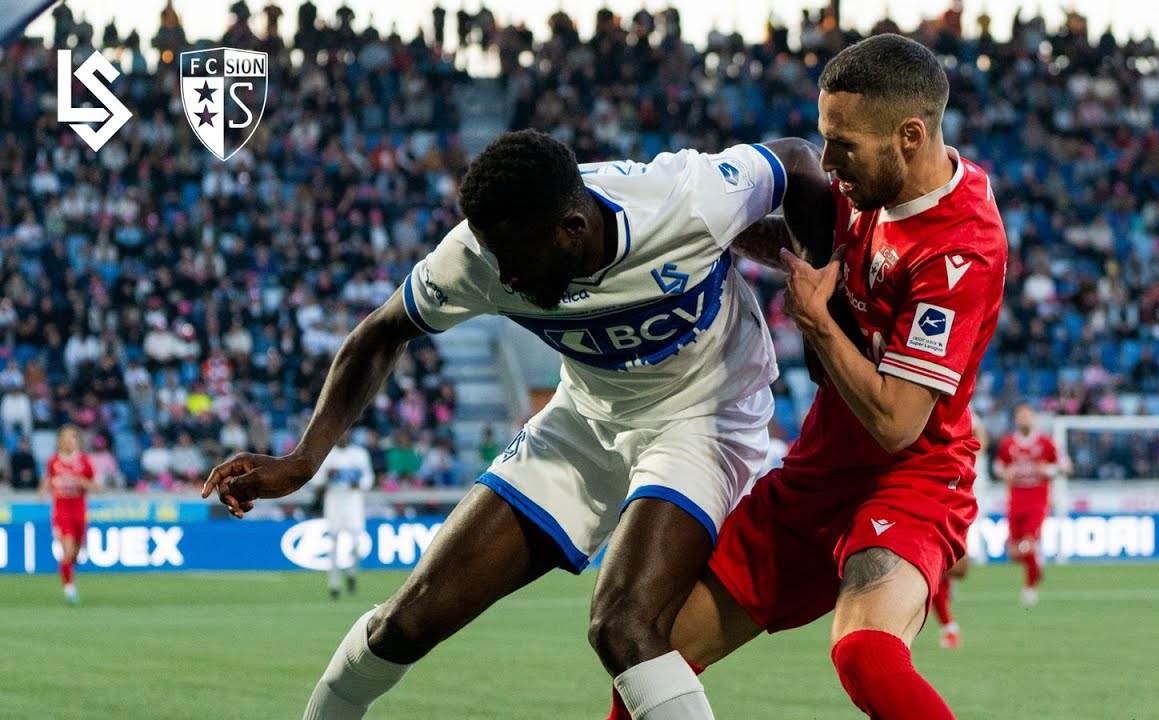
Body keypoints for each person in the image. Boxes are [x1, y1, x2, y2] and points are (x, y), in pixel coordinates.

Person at [204, 128, 830, 719]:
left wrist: (827, 310)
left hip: (703, 417)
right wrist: (303, 459)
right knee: (407, 620)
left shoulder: (683, 198)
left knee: (623, 625)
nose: (501, 278)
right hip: (583, 418)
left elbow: (799, 162)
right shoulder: (479, 253)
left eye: (515, 261)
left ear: (572, 229)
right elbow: (380, 333)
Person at [606, 35, 1008, 720]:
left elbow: (896, 424)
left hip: (911, 476)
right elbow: (798, 243)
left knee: (865, 655)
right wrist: (702, 226)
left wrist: (817, 323)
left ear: (909, 136)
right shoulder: (870, 185)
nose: (828, 163)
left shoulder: (960, 250)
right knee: (650, 661)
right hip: (817, 474)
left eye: (843, 144)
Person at [993, 403, 1070, 607]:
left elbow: (1066, 466)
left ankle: (1029, 589)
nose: (1023, 420)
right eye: (1020, 416)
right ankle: (1037, 563)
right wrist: (1004, 473)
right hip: (1015, 499)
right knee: (1014, 552)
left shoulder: (1046, 443)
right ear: (1016, 420)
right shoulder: (1008, 443)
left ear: (1033, 419)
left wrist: (1049, 471)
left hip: (1037, 500)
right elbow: (998, 466)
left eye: (1027, 416)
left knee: (1029, 544)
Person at [931, 409, 990, 649]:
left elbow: (981, 437)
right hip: (929, 490)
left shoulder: (964, 412)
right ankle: (949, 626)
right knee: (936, 568)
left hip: (958, 493)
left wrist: (970, 454)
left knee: (955, 568)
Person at [39, 425, 99, 603]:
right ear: (60, 441)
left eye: (72, 437)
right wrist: (43, 492)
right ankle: (69, 588)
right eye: (65, 437)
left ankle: (68, 573)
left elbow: (95, 486)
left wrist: (83, 482)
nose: (69, 440)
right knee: (68, 549)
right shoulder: (54, 461)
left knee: (76, 553)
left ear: (77, 440)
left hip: (79, 510)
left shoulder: (84, 461)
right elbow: (48, 479)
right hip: (61, 510)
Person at [312, 431, 376, 599]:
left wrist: (360, 484)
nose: (342, 437)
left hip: (353, 501)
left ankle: (352, 573)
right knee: (333, 543)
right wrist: (327, 477)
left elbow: (369, 478)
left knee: (356, 542)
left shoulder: (359, 454)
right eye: (339, 435)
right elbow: (316, 481)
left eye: (345, 434)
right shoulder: (327, 456)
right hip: (334, 501)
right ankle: (334, 584)